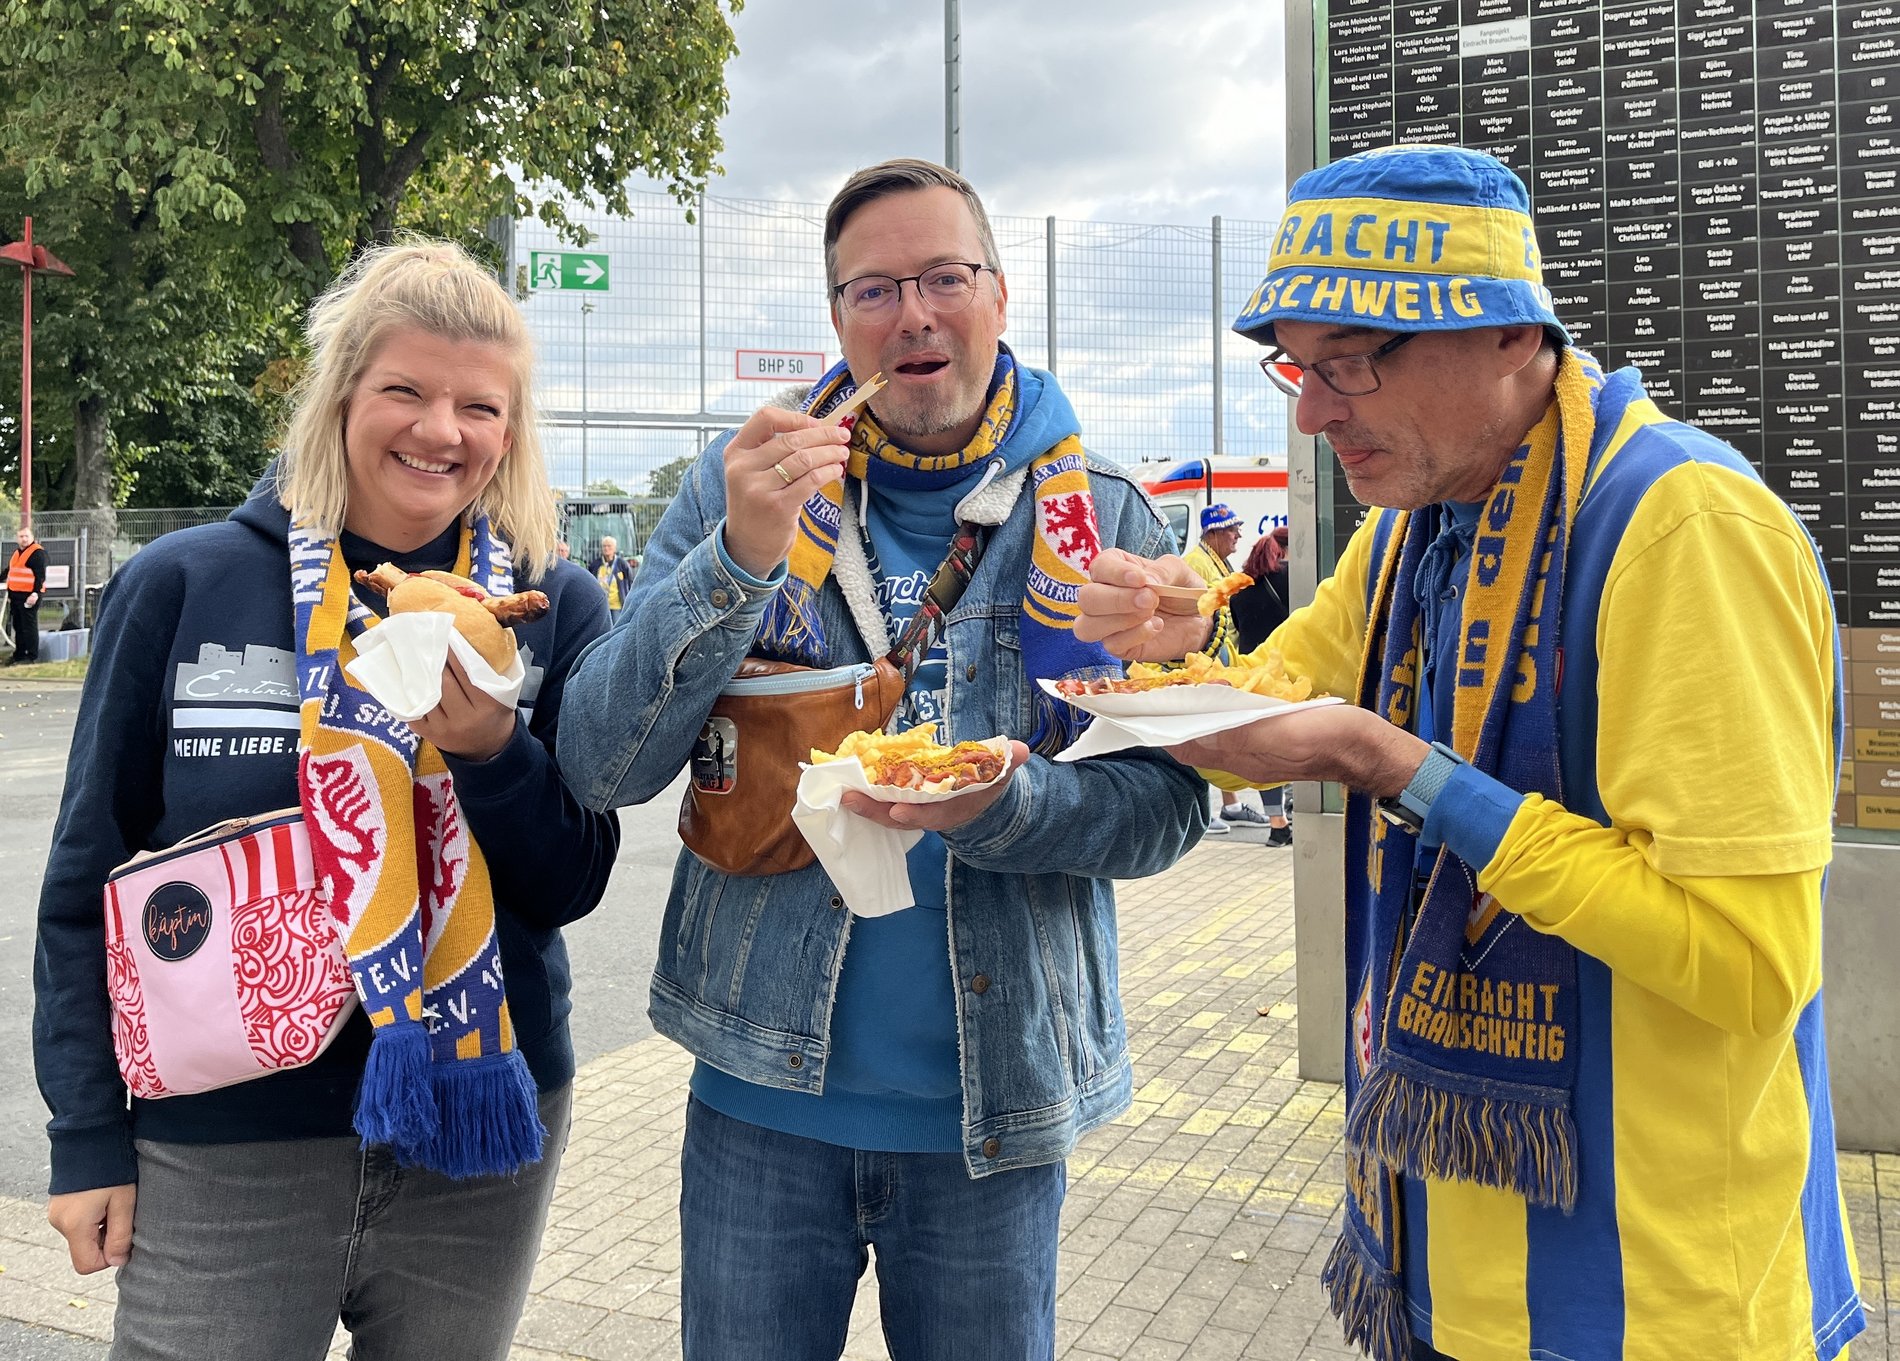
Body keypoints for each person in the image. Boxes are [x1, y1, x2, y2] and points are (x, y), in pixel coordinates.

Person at [1076, 145, 1863, 1361]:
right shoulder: (1408, 533)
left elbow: (1753, 967)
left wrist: (1410, 775)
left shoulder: (1684, 530)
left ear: (1510, 336)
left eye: (1353, 361)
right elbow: (1263, 721)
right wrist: (1175, 647)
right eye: (1299, 363)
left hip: (1662, 1308)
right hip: (1442, 1270)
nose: (1311, 411)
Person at [556, 157, 1207, 1360]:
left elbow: (1172, 807)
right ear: (839, 321)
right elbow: (600, 762)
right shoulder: (738, 482)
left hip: (992, 1116)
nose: (911, 311)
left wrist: (1009, 805)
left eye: (943, 276)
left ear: (999, 297)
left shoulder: (1103, 514)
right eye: (872, 288)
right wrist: (736, 560)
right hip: (758, 1097)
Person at [33, 240, 620, 1361]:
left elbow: (572, 880)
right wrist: (86, 1135)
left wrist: (491, 747)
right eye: (403, 388)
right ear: (342, 392)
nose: (440, 430)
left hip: (477, 1128)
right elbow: (86, 881)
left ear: (512, 426)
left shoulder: (550, 604)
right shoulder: (187, 582)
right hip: (225, 1137)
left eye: (478, 405)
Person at [1183, 504, 1267, 833]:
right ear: (1214, 533)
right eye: (1232, 529)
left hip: (1223, 655)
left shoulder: (1216, 560)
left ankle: (1229, 806)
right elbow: (1198, 618)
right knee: (1204, 733)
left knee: (1217, 730)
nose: (1238, 535)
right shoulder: (1196, 564)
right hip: (1207, 661)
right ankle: (1210, 807)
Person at [1231, 526, 1295, 845]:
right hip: (1283, 675)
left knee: (1263, 749)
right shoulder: (1289, 580)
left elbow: (1239, 630)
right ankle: (1293, 812)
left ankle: (1276, 823)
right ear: (1282, 550)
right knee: (1292, 743)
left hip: (1249, 676)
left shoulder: (1240, 587)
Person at [7, 524, 47, 664]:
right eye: (21, 536)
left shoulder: (37, 553)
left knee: (28, 626)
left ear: (32, 537)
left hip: (29, 595)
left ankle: (31, 656)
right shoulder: (18, 553)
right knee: (18, 626)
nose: (24, 539)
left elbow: (40, 576)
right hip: (16, 595)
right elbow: (10, 570)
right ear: (17, 538)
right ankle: (19, 654)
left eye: (26, 536)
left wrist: (35, 593)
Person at [587, 534, 636, 619]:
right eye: (604, 546)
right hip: (600, 604)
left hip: (617, 605)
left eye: (609, 546)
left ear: (614, 548)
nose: (606, 548)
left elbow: (630, 581)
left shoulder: (622, 564)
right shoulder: (595, 564)